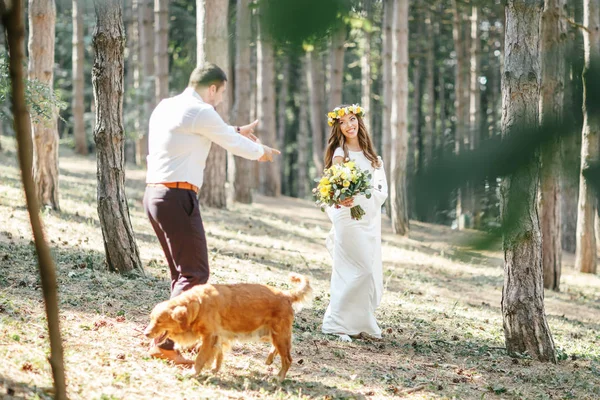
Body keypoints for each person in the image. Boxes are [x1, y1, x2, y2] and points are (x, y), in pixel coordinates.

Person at [143, 63, 280, 363]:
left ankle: (175, 336)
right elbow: (230, 143)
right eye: (221, 93)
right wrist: (263, 152)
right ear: (213, 87)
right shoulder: (202, 111)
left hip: (155, 195)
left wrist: (235, 130)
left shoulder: (167, 106)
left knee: (181, 274)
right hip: (178, 196)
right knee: (195, 274)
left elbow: (202, 131)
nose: (220, 100)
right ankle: (165, 345)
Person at [321, 104, 388, 342]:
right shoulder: (340, 153)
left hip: (367, 218)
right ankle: (335, 323)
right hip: (347, 216)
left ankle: (359, 323)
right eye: (342, 122)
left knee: (364, 270)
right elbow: (334, 182)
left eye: (352, 119)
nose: (349, 125)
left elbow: (381, 188)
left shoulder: (372, 157)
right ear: (338, 128)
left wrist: (367, 195)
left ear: (359, 121)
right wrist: (343, 195)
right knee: (359, 269)